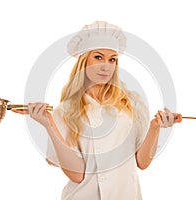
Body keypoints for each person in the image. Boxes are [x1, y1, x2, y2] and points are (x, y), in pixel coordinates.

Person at [13, 21, 182, 200]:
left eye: (112, 59)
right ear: (84, 61)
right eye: (98, 57)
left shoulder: (131, 103)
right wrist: (49, 125)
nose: (106, 66)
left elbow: (142, 162)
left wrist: (155, 127)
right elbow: (77, 175)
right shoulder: (66, 111)